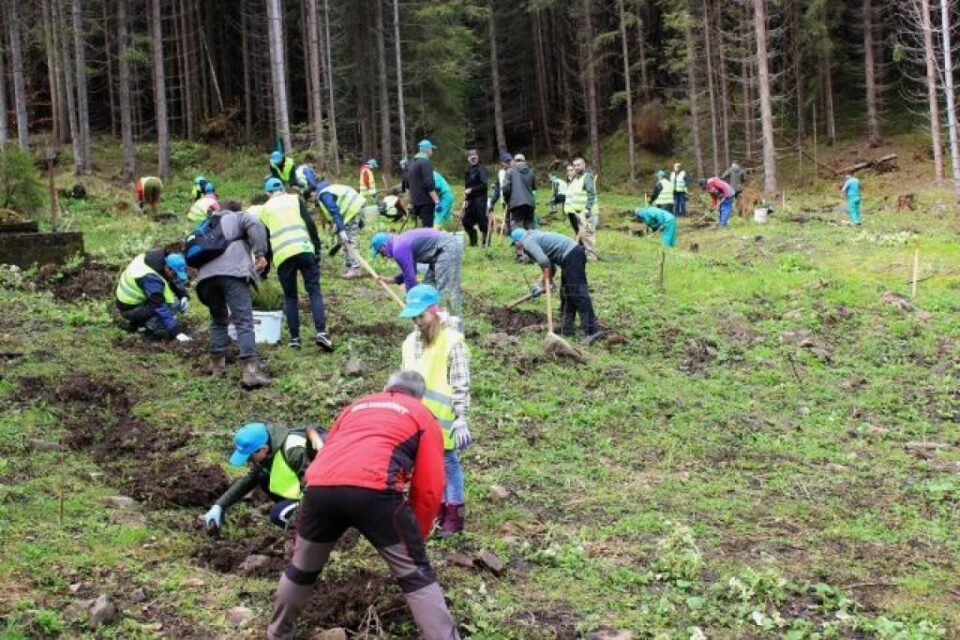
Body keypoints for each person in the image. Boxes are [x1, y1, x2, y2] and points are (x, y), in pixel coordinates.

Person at [267, 371, 461, 640]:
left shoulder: (355, 406)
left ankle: (277, 634)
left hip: (320, 488)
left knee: (301, 568)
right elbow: (429, 484)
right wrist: (417, 531)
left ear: (386, 387)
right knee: (416, 574)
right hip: (376, 491)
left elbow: (328, 449)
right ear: (420, 396)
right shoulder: (422, 414)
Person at [399, 285, 472, 537]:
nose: (417, 322)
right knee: (428, 467)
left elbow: (460, 382)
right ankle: (439, 510)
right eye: (413, 317)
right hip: (417, 420)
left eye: (421, 316)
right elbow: (404, 379)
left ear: (434, 311)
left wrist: (462, 417)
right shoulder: (409, 343)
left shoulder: (452, 341)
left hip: (444, 421)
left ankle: (455, 514)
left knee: (448, 464)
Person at [195, 200, 271, 388]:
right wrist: (261, 254)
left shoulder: (207, 224)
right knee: (243, 319)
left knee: (218, 318)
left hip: (205, 279)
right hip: (232, 274)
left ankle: (216, 365)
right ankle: (250, 372)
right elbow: (255, 224)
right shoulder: (239, 217)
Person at [203, 422, 319, 532]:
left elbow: (317, 486)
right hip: (304, 488)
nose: (248, 461)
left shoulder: (294, 452)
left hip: (321, 492)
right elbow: (250, 479)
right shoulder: (270, 449)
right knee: (263, 476)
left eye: (250, 457)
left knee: (278, 514)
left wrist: (296, 514)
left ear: (264, 448)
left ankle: (314, 534)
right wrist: (219, 505)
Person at [260, 179, 333, 351]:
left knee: (290, 297)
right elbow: (310, 224)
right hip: (304, 249)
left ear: (267, 193)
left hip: (283, 256)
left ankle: (294, 339)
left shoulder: (264, 210)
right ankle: (321, 332)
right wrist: (317, 249)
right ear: (283, 189)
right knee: (314, 291)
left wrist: (266, 268)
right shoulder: (295, 199)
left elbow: (266, 241)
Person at [511, 228, 600, 344]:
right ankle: (567, 327)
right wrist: (544, 284)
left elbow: (543, 261)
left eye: (514, 244)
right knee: (566, 294)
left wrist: (546, 281)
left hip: (572, 255)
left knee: (578, 294)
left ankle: (592, 331)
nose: (516, 248)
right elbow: (550, 267)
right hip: (570, 257)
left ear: (518, 241)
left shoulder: (527, 241)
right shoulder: (534, 236)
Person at [370, 228, 463, 322]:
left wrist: (412, 304)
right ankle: (430, 324)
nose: (383, 256)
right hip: (438, 252)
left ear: (383, 247)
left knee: (446, 292)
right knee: (427, 289)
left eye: (380, 253)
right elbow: (410, 272)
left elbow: (410, 278)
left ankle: (453, 327)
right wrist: (390, 280)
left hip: (447, 247)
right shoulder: (399, 243)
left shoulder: (398, 249)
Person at [115, 250, 191, 343]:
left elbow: (172, 280)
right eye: (175, 274)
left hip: (129, 303)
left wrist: (183, 295)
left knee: (166, 300)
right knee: (173, 304)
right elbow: (160, 306)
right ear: (167, 268)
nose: (175, 277)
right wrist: (176, 332)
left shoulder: (159, 258)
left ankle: (135, 324)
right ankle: (149, 330)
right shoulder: (150, 278)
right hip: (130, 310)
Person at [312, 179, 365, 278]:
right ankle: (350, 267)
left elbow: (334, 210)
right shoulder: (329, 189)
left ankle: (355, 268)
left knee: (348, 240)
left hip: (352, 210)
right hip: (354, 207)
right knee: (345, 241)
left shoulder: (324, 194)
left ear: (314, 192)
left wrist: (342, 230)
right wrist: (339, 226)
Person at [568, 157, 599, 259]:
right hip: (578, 212)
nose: (576, 167)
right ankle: (584, 254)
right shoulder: (576, 179)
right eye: (575, 165)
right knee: (582, 234)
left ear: (584, 165)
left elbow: (591, 194)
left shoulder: (587, 177)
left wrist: (587, 209)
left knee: (588, 234)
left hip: (588, 212)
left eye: (578, 165)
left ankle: (591, 256)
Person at [407, 140, 440, 227]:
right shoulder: (425, 162)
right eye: (431, 149)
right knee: (428, 228)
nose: (432, 151)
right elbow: (429, 183)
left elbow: (408, 183)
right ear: (427, 150)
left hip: (415, 201)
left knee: (420, 228)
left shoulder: (412, 163)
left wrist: (411, 201)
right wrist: (437, 201)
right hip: (426, 201)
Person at [503, 153, 536, 231]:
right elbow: (534, 188)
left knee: (517, 228)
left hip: (516, 203)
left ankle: (519, 243)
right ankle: (530, 242)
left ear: (514, 161)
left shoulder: (510, 171)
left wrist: (507, 201)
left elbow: (506, 189)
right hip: (530, 204)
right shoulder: (531, 172)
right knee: (530, 228)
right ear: (525, 161)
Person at [462, 149, 488, 247]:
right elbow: (466, 187)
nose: (473, 159)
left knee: (482, 222)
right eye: (471, 158)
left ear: (477, 158)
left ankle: (486, 244)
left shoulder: (481, 169)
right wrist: (465, 200)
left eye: (475, 157)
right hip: (470, 201)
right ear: (468, 159)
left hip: (480, 200)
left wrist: (471, 190)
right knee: (466, 222)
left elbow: (484, 185)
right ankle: (474, 243)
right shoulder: (467, 171)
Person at [488, 152, 513, 233]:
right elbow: (498, 190)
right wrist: (492, 203)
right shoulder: (501, 173)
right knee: (507, 220)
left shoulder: (515, 171)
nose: (508, 163)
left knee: (515, 220)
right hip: (505, 201)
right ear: (502, 162)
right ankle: (510, 234)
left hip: (515, 200)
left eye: (509, 161)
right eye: (506, 161)